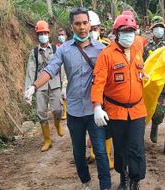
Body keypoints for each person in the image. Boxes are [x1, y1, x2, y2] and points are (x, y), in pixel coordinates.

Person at [24, 7, 111, 190]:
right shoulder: (64, 49)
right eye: (78, 24)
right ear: (72, 26)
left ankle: (106, 186)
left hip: (95, 109)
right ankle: (85, 182)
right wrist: (34, 86)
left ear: (90, 24)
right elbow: (50, 69)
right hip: (74, 110)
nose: (82, 27)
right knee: (78, 152)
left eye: (85, 23)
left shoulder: (102, 49)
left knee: (101, 152)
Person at [91, 14, 147, 190]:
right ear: (116, 33)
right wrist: (97, 107)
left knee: (137, 147)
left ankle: (135, 180)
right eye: (125, 31)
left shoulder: (137, 52)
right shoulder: (106, 55)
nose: (129, 34)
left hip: (137, 109)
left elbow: (139, 73)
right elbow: (98, 81)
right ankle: (123, 177)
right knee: (121, 147)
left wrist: (144, 76)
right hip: (116, 110)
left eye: (132, 31)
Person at [24, 20, 63, 152]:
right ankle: (47, 139)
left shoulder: (56, 49)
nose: (43, 35)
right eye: (40, 33)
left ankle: (58, 125)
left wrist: (64, 86)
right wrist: (28, 90)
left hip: (55, 83)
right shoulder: (34, 53)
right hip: (40, 86)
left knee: (58, 110)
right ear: (37, 35)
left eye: (45, 33)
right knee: (41, 112)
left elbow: (62, 68)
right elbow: (30, 71)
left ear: (48, 33)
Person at [143, 16, 165, 155]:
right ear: (152, 29)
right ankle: (155, 126)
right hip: (158, 86)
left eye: (161, 27)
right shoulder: (147, 46)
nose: (160, 30)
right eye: (157, 27)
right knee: (158, 113)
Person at [87, 10, 114, 170]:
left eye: (94, 28)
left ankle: (108, 156)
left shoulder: (106, 46)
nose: (91, 32)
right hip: (85, 91)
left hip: (103, 90)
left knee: (105, 122)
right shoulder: (74, 46)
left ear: (99, 29)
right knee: (89, 121)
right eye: (90, 28)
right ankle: (93, 149)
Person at [56, 28, 68, 120]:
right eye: (59, 35)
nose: (61, 36)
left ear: (66, 36)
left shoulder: (69, 46)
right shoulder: (55, 47)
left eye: (62, 35)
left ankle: (65, 111)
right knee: (60, 91)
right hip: (58, 71)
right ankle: (63, 110)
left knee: (65, 89)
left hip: (67, 70)